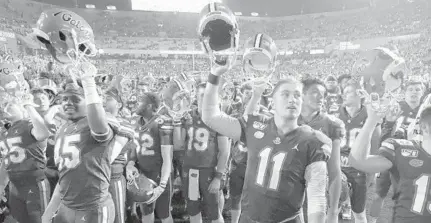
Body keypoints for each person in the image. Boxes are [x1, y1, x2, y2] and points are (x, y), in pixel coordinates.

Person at [201, 64, 331, 223]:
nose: (292, 99)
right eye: (285, 94)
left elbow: (317, 198)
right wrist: (214, 74)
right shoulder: (255, 125)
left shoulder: (312, 140)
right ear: (273, 102)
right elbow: (210, 117)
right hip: (248, 218)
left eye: (297, 95)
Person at [42, 63, 133, 223]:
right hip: (67, 206)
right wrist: (48, 213)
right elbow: (65, 178)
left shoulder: (97, 122)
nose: (67, 103)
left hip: (93, 208)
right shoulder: (64, 128)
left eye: (75, 99)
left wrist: (89, 84)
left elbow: (100, 128)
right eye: (64, 99)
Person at [349, 104, 431, 223]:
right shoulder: (403, 151)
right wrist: (371, 121)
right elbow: (358, 161)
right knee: (378, 195)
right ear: (425, 127)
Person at [370, 79, 425, 223]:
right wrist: (389, 123)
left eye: (417, 89)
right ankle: (373, 220)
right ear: (404, 93)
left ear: (423, 92)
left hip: (413, 162)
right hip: (390, 157)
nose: (414, 92)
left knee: (408, 199)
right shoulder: (396, 108)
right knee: (378, 195)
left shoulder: (427, 112)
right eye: (410, 89)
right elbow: (383, 137)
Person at [181, 83, 230, 223]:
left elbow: (224, 151)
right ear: (196, 97)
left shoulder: (219, 119)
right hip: (189, 171)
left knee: (214, 213)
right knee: (193, 210)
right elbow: (179, 144)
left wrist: (218, 177)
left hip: (208, 171)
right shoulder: (188, 116)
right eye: (202, 95)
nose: (205, 99)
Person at [298, 78, 345, 223]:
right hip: (290, 189)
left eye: (323, 95)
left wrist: (332, 211)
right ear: (302, 94)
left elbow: (334, 169)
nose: (320, 97)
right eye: (314, 92)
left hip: (318, 188)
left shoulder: (332, 123)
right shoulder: (287, 119)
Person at [0, 94, 51, 223]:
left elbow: (43, 133)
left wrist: (28, 105)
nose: (5, 109)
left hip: (34, 182)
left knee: (40, 220)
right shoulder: (5, 131)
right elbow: (7, 162)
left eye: (10, 105)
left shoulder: (28, 123)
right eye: (3, 106)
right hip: (14, 185)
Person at [126, 92, 174, 223]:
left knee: (164, 214)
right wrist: (130, 164)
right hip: (143, 173)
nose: (136, 103)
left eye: (140, 101)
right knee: (146, 212)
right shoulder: (135, 121)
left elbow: (167, 157)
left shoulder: (162, 122)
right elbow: (135, 149)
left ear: (149, 105)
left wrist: (162, 184)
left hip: (160, 173)